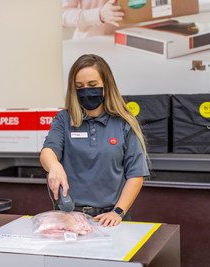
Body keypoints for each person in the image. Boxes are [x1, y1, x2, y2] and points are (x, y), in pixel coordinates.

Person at [40, 54, 149, 227]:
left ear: (106, 85)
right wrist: (54, 166)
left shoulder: (124, 123)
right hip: (70, 216)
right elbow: (48, 151)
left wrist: (118, 212)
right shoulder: (63, 119)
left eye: (92, 85)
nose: (86, 91)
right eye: (79, 86)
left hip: (112, 218)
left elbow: (136, 174)